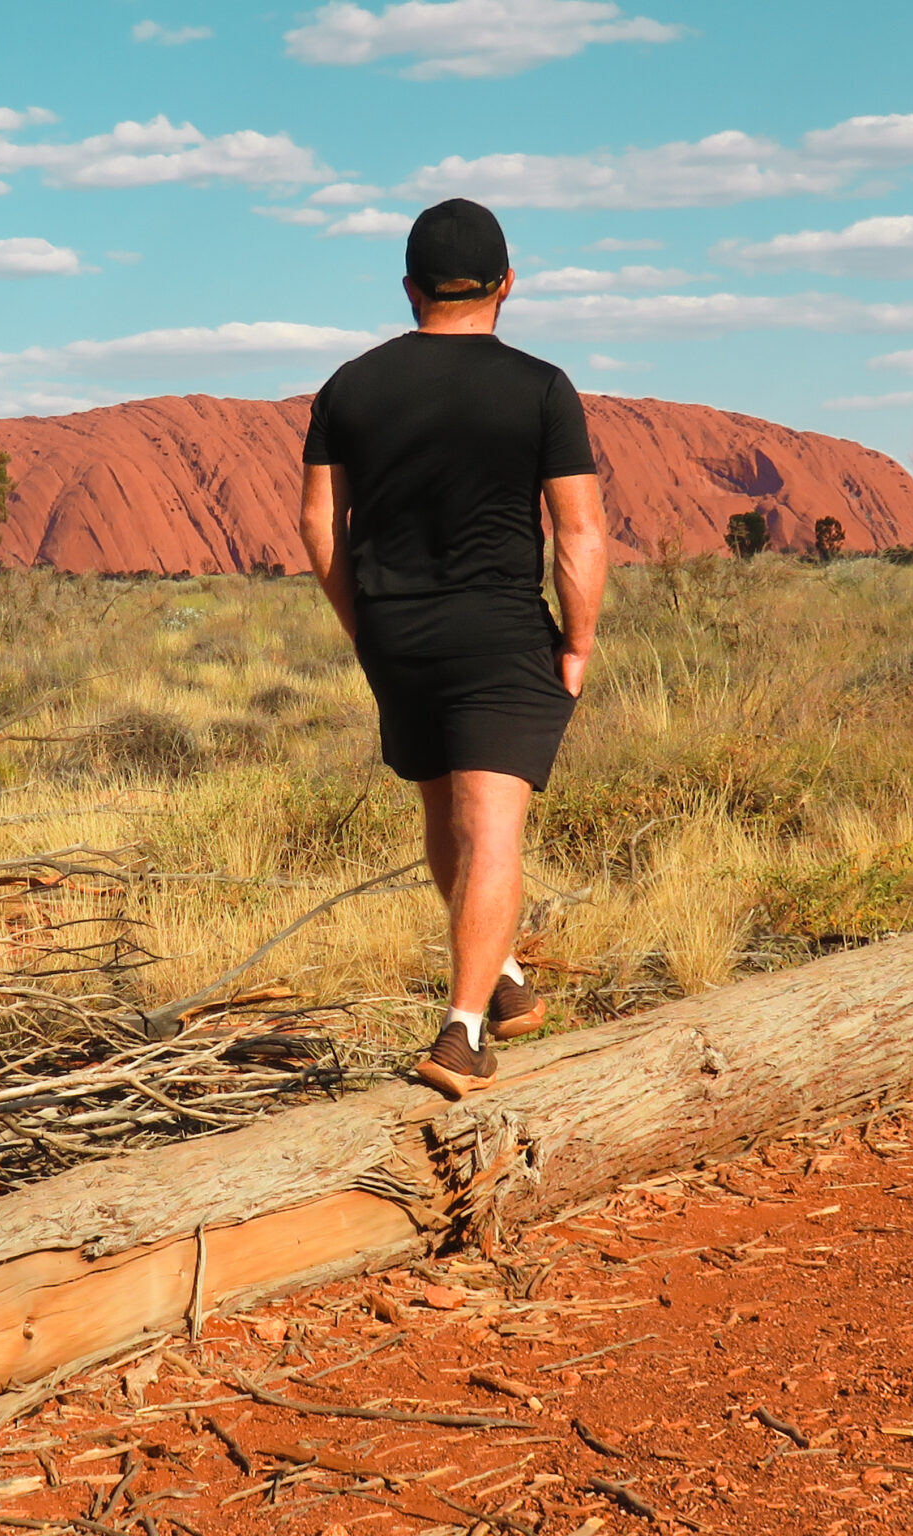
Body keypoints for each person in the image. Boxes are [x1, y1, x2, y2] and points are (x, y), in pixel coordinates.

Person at [298, 197, 609, 1101]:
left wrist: (362, 621)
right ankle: (463, 1032)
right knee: (494, 828)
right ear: (508, 286)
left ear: (410, 289)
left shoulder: (348, 387)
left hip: (399, 632)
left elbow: (320, 523)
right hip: (499, 628)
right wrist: (579, 643)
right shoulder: (542, 387)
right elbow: (579, 529)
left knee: (447, 811)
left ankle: (500, 975)